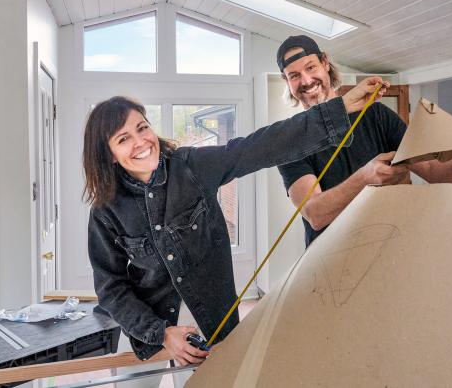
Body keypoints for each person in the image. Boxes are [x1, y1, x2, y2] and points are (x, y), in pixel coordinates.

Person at [82, 78, 386, 370]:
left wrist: (340, 107)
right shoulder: (105, 211)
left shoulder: (192, 166)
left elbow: (259, 146)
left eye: (142, 128)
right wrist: (160, 333)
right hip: (144, 331)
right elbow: (111, 287)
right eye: (124, 139)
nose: (141, 142)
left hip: (209, 324)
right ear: (108, 155)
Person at [276, 35, 452, 247]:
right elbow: (316, 215)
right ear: (286, 81)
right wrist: (365, 177)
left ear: (325, 63)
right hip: (330, 265)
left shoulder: (374, 114)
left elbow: (434, 171)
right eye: (294, 75)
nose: (306, 80)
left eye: (310, 67)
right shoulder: (290, 141)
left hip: (390, 250)